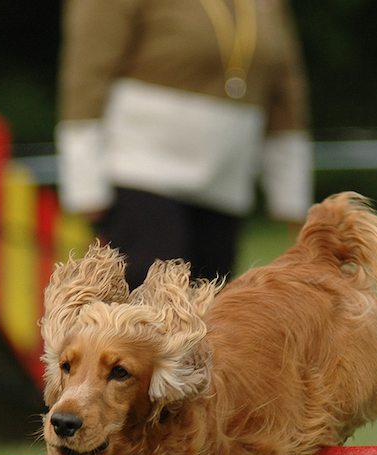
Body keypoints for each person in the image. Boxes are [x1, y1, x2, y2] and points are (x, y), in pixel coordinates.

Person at [55, 0, 313, 288]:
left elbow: (286, 92)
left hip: (224, 183)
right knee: (153, 305)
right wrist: (85, 181)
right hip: (140, 172)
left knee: (210, 312)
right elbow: (86, 73)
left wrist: (292, 197)